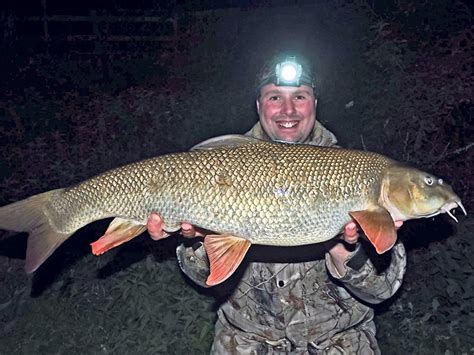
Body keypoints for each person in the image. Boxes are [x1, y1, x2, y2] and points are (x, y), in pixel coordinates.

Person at [147, 54, 406, 354]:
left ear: (315, 104)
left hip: (339, 343)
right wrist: (196, 242)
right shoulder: (217, 168)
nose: (288, 110)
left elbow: (383, 290)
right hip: (247, 342)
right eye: (274, 97)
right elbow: (204, 279)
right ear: (258, 106)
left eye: (300, 96)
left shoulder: (355, 171)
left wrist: (342, 246)